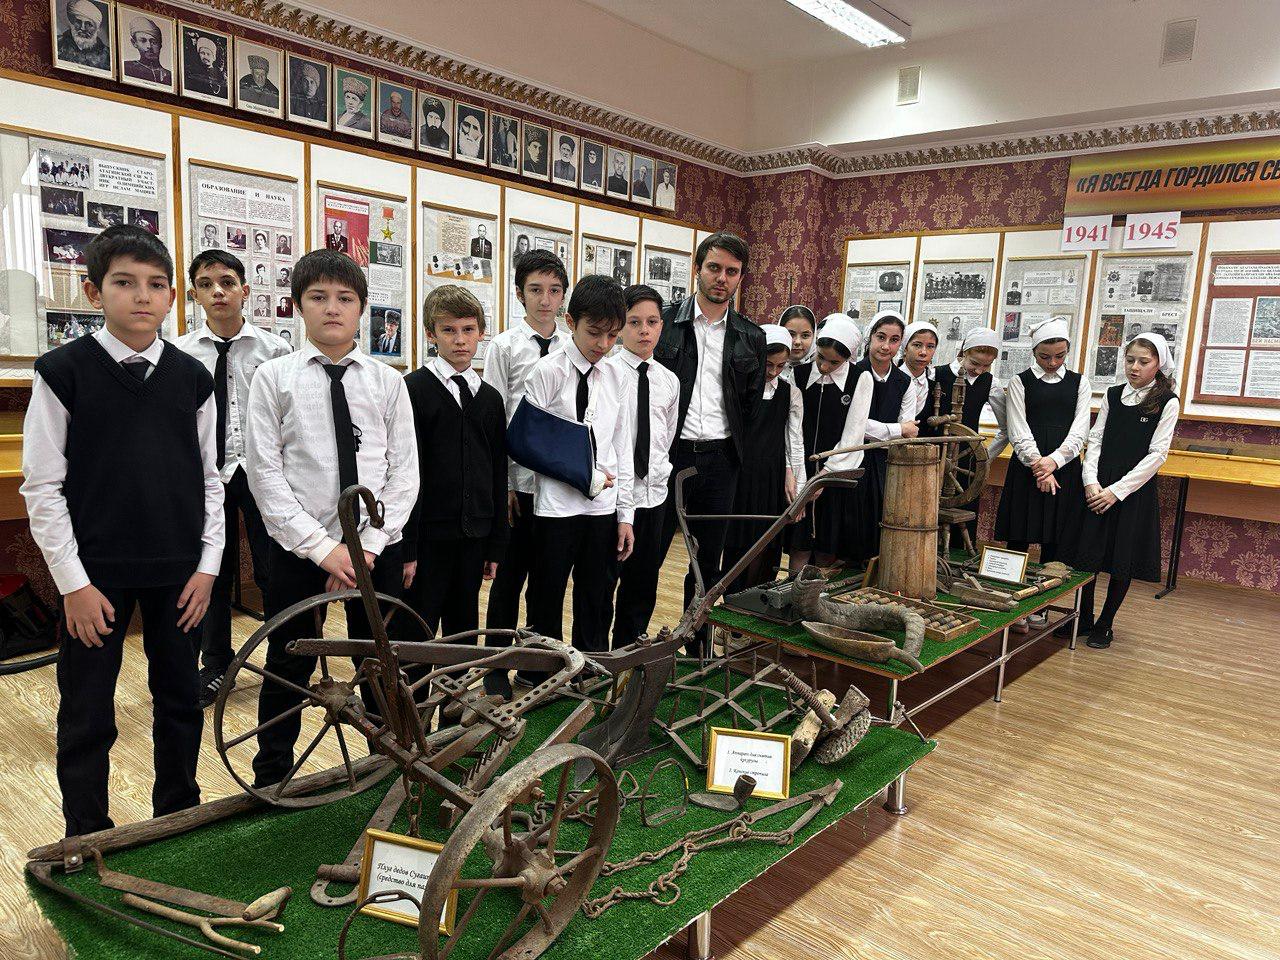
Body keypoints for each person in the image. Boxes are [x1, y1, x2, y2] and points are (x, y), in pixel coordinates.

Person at [21, 225, 223, 836]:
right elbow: (42, 487)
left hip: (179, 574)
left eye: (156, 285)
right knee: (87, 710)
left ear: (172, 298)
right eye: (124, 283)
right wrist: (73, 584)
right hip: (95, 578)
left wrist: (208, 567)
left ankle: (176, 817)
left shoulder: (193, 377)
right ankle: (85, 830)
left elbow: (210, 478)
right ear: (93, 291)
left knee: (180, 700)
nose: (142, 296)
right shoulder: (63, 372)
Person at [245, 249, 418, 788]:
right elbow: (265, 474)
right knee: (289, 659)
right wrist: (323, 550)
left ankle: (391, 764)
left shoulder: (387, 382)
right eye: (318, 297)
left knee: (380, 658)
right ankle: (272, 774)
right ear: (298, 306)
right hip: (299, 547)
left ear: (362, 308)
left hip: (374, 547)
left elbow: (404, 472)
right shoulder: (273, 378)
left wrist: (365, 548)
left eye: (345, 299)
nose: (332, 309)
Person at [176, 250, 291, 708]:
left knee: (273, 569)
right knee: (214, 572)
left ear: (245, 289)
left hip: (262, 472)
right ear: (195, 294)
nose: (218, 292)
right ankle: (216, 666)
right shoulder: (180, 354)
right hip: (208, 473)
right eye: (206, 284)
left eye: (227, 282)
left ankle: (284, 660)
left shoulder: (275, 350)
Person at [655, 232, 765, 652]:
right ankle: (632, 645)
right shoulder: (665, 324)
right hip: (670, 455)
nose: (722, 278)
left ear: (740, 278)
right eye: (714, 268)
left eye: (731, 271)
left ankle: (697, 645)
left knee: (706, 564)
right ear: (697, 269)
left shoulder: (750, 336)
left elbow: (750, 405)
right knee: (649, 554)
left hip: (721, 458)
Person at [524, 275, 634, 660]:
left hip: (602, 509)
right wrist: (583, 475)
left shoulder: (618, 375)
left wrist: (626, 515)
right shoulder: (547, 371)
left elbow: (621, 446)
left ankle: (591, 670)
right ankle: (541, 670)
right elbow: (530, 443)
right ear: (571, 322)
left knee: (597, 595)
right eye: (594, 333)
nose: (603, 345)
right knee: (546, 593)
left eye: (613, 336)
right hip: (556, 507)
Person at [401, 286, 508, 669]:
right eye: (448, 330)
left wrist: (496, 544)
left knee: (464, 631)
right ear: (431, 334)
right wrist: (407, 547)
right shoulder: (412, 390)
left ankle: (455, 698)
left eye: (468, 329)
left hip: (474, 538)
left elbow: (497, 473)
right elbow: (405, 474)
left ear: (481, 332)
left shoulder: (490, 399)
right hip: (428, 539)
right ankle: (413, 702)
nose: (460, 340)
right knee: (417, 631)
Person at [1061, 334, 1178, 649]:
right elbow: (1096, 439)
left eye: (1143, 361)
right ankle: (1083, 617)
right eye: (1130, 360)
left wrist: (1117, 491)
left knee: (1120, 558)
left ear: (1158, 364)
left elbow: (1157, 455)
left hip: (1131, 490)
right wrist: (1090, 481)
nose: (1134, 367)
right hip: (1098, 485)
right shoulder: (1113, 395)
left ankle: (1105, 623)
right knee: (1087, 557)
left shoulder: (1167, 401)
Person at [481, 251, 569, 669]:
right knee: (508, 579)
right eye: (536, 290)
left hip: (559, 485)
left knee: (548, 582)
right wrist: (505, 485)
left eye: (554, 290)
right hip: (519, 484)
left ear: (563, 295)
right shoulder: (505, 346)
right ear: (520, 294)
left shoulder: (572, 345)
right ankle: (497, 665)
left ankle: (540, 666)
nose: (545, 300)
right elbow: (495, 418)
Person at [608, 285, 679, 647]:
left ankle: (628, 654)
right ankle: (596, 660)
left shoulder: (669, 380)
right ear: (620, 326)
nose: (644, 331)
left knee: (643, 585)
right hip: (613, 499)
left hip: (653, 498)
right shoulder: (606, 373)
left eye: (652, 322)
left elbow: (666, 437)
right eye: (634, 322)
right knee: (603, 584)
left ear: (661, 326)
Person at [995, 317, 1090, 571]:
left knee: (1057, 541)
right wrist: (1040, 467)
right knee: (1019, 536)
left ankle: (1048, 594)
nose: (1053, 363)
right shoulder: (1020, 382)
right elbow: (1017, 430)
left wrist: (1053, 462)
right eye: (1044, 357)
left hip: (1064, 466)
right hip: (1028, 466)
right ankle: (1009, 587)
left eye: (1060, 356)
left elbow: (1080, 431)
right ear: (1034, 352)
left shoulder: (1080, 382)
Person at [722, 323, 807, 590]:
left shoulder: (790, 393)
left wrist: (796, 480)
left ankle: (759, 596)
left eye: (781, 366)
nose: (773, 372)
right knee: (738, 542)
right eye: (768, 364)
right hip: (741, 474)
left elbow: (794, 441)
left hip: (771, 476)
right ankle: (733, 597)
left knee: (766, 542)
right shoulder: (739, 389)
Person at [842, 310, 914, 565]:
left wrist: (898, 431)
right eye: (881, 337)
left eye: (894, 340)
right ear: (870, 337)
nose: (886, 346)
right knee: (851, 518)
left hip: (887, 462)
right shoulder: (851, 374)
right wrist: (896, 429)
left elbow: (909, 429)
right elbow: (854, 425)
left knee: (882, 515)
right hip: (852, 457)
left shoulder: (904, 382)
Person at [927, 327, 1000, 544]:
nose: (979, 370)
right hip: (934, 454)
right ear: (963, 352)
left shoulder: (991, 383)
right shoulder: (936, 374)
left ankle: (960, 553)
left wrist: (984, 456)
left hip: (966, 459)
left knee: (964, 512)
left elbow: (1006, 427)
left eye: (986, 366)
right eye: (974, 363)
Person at [897, 321, 940, 418]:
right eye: (917, 345)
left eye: (930, 346)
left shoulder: (934, 386)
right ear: (905, 348)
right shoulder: (890, 379)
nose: (923, 352)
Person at [57, 0, 111, 71]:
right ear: (73, 22)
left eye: (88, 24)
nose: (82, 28)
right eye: (78, 22)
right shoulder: (58, 43)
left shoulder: (107, 54)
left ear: (97, 28)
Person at [123, 15, 171, 85]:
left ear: (160, 44)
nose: (149, 46)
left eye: (154, 42)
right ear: (134, 43)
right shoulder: (126, 67)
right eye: (143, 41)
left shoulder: (170, 76)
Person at [779, 305, 817, 380]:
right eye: (791, 334)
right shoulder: (766, 370)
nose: (797, 342)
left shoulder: (820, 372)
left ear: (814, 336)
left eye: (805, 335)